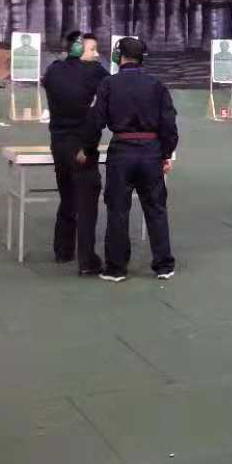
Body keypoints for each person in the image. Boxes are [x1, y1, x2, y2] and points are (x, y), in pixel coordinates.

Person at [80, 36, 178, 282]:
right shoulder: (156, 85)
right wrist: (166, 153)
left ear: (118, 56)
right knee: (156, 210)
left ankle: (116, 268)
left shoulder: (108, 84)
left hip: (121, 152)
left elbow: (96, 121)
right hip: (151, 153)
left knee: (118, 210)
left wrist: (88, 149)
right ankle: (164, 266)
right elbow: (168, 124)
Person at [42, 31, 109, 275]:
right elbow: (112, 90)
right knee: (87, 204)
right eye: (92, 50)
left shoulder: (53, 70)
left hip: (58, 145)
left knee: (68, 197)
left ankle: (63, 251)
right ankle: (87, 261)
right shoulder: (95, 72)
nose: (97, 54)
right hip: (82, 146)